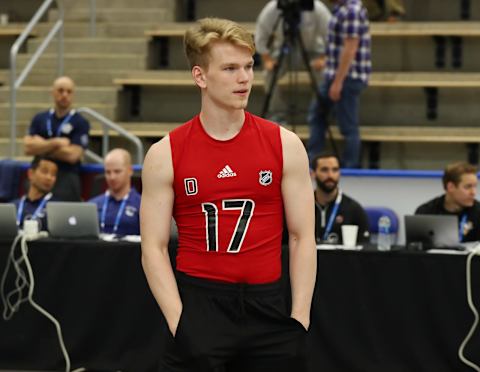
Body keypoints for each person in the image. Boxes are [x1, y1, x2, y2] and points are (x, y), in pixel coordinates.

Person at [140, 18, 316, 372]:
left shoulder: (285, 144)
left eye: (249, 66)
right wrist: (180, 323)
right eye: (230, 68)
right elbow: (153, 248)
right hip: (200, 304)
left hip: (268, 306)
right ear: (200, 76)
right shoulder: (165, 154)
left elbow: (301, 236)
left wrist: (299, 318)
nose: (245, 78)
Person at [308, 0, 371, 168]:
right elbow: (337, 46)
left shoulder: (352, 11)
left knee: (348, 127)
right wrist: (327, 62)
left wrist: (338, 82)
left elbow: (350, 48)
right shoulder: (340, 10)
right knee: (317, 115)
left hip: (347, 78)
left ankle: (350, 168)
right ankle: (314, 162)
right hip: (335, 76)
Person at [255, 0, 331, 125]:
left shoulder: (315, 7)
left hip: (313, 49)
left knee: (325, 73)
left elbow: (331, 34)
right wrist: (266, 59)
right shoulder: (274, 8)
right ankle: (277, 115)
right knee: (269, 75)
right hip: (284, 49)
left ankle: (318, 113)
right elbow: (261, 32)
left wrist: (324, 58)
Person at [23, 76, 90, 201]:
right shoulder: (40, 118)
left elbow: (73, 155)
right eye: (60, 90)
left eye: (69, 91)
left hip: (66, 177)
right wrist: (56, 143)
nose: (64, 95)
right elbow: (28, 147)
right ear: (53, 92)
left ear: (73, 95)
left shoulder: (80, 122)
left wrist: (41, 146)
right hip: (40, 174)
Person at [311, 152, 369, 244]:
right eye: (324, 170)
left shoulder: (353, 209)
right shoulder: (301, 207)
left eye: (335, 170)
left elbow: (364, 250)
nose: (330, 175)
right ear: (313, 174)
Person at [415, 161, 480, 242]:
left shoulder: (478, 212)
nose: (473, 193)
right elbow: (416, 251)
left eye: (475, 186)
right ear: (451, 187)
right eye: (468, 187)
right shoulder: (425, 212)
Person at [88, 148, 141, 236]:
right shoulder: (92, 205)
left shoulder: (141, 205)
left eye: (117, 171)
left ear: (130, 171)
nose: (112, 177)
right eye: (108, 172)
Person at [12, 156, 57, 231]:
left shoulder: (57, 208)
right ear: (31, 174)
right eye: (45, 171)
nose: (49, 178)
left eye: (53, 174)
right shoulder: (13, 206)